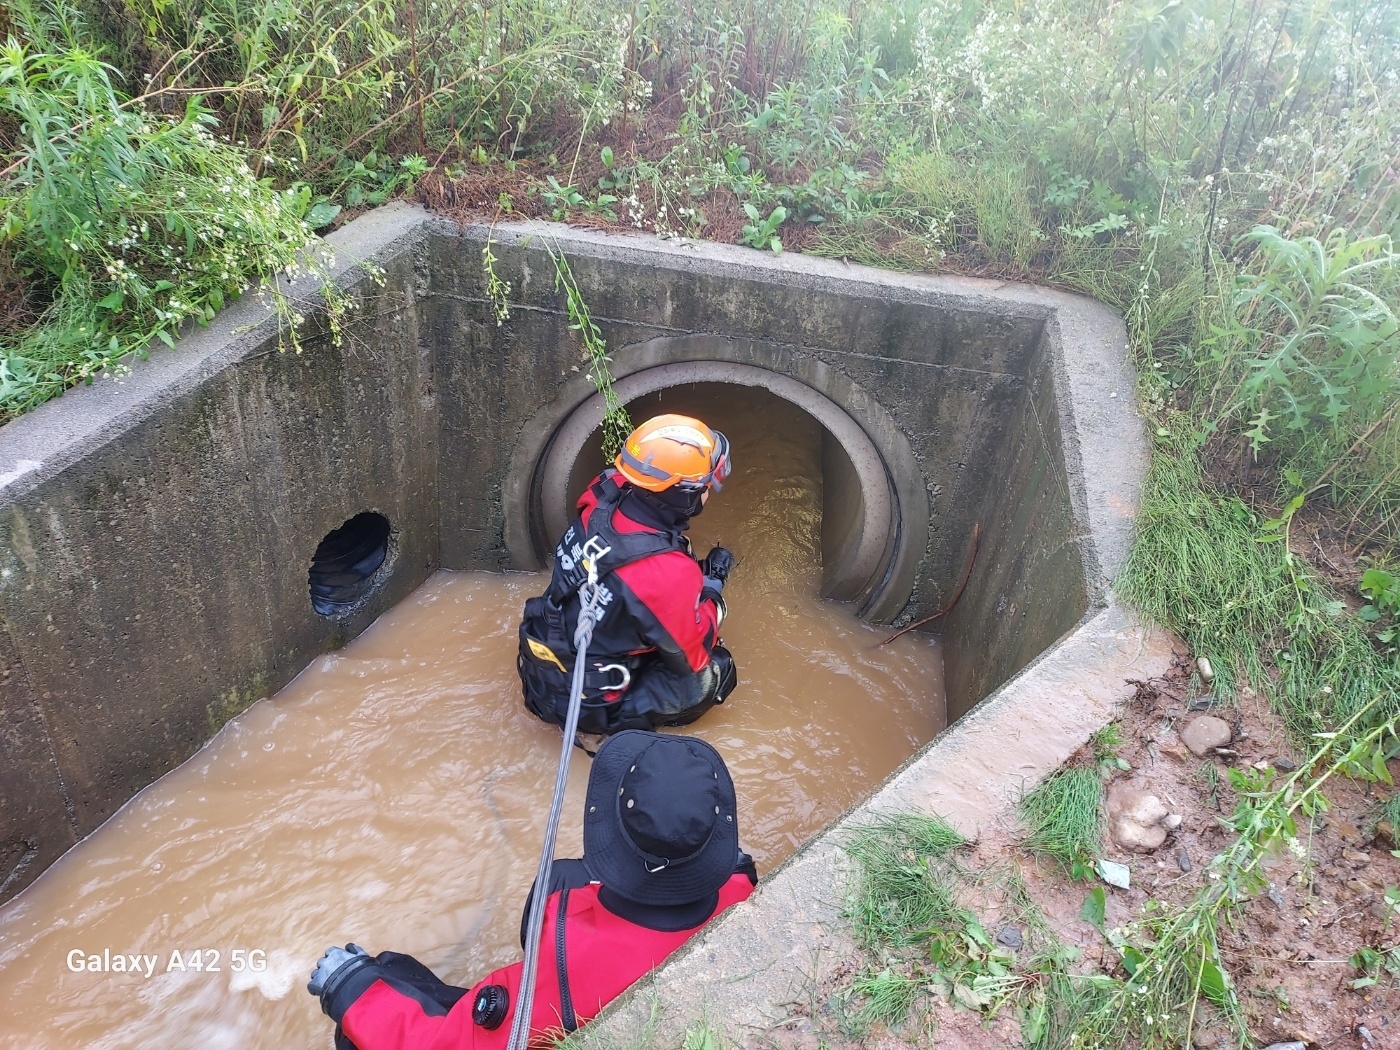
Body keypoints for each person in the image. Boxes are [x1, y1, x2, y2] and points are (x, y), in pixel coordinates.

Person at [307, 732, 757, 1050]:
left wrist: (351, 987)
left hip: (568, 970)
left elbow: (446, 1045)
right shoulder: (742, 889)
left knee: (385, 977)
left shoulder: (565, 964)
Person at [517, 414, 739, 735]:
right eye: (706, 486)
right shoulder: (667, 574)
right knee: (716, 671)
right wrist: (712, 590)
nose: (709, 492)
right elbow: (691, 658)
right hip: (586, 698)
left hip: (548, 651)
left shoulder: (604, 489)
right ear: (686, 495)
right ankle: (623, 720)